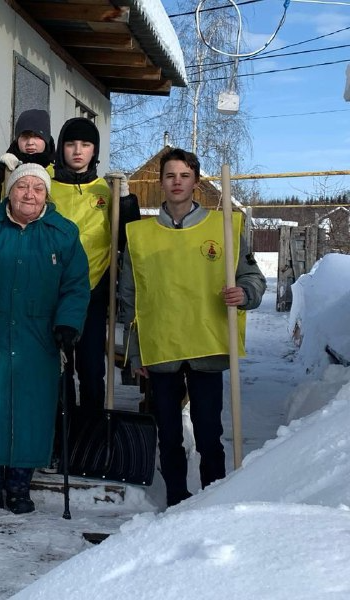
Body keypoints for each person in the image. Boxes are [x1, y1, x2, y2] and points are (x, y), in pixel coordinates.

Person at [120, 148, 266, 507]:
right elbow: (130, 297)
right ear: (161, 182)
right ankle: (176, 499)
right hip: (162, 349)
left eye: (184, 176)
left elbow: (253, 278)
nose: (177, 182)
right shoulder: (140, 236)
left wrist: (244, 292)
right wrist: (135, 349)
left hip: (207, 347)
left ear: (196, 181)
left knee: (209, 433)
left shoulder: (224, 228)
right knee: (168, 433)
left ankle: (212, 500)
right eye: (170, 176)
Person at [0, 162, 90, 518]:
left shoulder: (63, 233)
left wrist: (67, 324)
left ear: (47, 194)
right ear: (10, 191)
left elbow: (76, 285)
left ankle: (19, 488)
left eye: (37, 188)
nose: (29, 194)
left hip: (39, 338)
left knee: (32, 409)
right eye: (22, 186)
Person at [49, 117, 140, 462]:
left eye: (85, 145)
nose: (77, 151)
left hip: (92, 292)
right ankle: (59, 439)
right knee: (57, 371)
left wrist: (127, 202)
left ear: (95, 151)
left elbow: (129, 241)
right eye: (71, 144)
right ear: (62, 147)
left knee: (90, 369)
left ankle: (89, 441)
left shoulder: (107, 191)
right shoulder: (46, 185)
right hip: (50, 292)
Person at [0, 109, 55, 213]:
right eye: (25, 137)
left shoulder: (56, 173)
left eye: (37, 136)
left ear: (46, 140)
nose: (30, 142)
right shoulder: (4, 169)